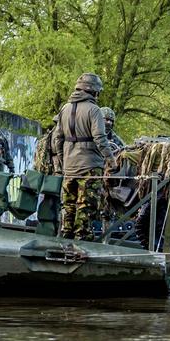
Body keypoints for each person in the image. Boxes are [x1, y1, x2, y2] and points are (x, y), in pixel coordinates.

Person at [52, 73, 116, 241]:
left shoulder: (64, 109)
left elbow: (57, 138)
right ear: (93, 91)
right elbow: (100, 138)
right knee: (86, 206)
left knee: (69, 205)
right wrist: (111, 159)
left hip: (69, 166)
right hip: (90, 166)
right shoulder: (94, 110)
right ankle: (82, 240)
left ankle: (66, 237)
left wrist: (63, 159)